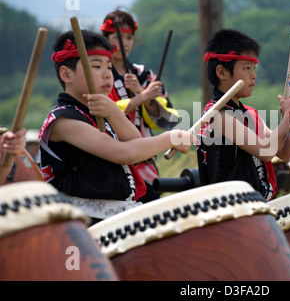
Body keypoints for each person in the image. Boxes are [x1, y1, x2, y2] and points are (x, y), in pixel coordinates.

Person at [39, 29, 193, 223]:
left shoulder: (96, 114)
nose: (107, 74)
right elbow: (125, 153)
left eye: (109, 67)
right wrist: (171, 138)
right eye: (96, 66)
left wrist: (113, 112)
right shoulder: (64, 121)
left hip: (113, 216)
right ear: (66, 74)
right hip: (82, 222)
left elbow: (136, 142)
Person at [196, 29, 290, 201]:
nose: (253, 75)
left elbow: (284, 153)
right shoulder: (218, 116)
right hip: (231, 210)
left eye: (253, 68)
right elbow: (267, 150)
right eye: (247, 68)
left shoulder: (250, 114)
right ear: (222, 72)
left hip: (254, 207)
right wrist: (286, 117)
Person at [100, 8, 178, 203]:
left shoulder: (145, 75)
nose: (124, 43)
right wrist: (142, 96)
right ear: (105, 39)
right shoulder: (100, 75)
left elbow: (167, 122)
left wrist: (143, 94)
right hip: (112, 163)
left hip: (146, 165)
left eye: (129, 38)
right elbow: (105, 111)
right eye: (117, 37)